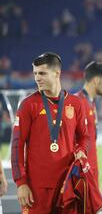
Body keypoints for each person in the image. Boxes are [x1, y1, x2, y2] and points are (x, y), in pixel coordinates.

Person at [11, 52, 89, 213]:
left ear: (57, 73)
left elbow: (83, 136)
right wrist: (21, 183)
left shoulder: (76, 104)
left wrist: (81, 150)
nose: (37, 78)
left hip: (67, 186)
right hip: (36, 188)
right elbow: (17, 146)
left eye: (42, 73)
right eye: (35, 73)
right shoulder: (28, 105)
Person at [75, 61, 102, 187]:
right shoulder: (76, 103)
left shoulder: (91, 103)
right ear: (96, 80)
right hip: (81, 172)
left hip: (91, 169)